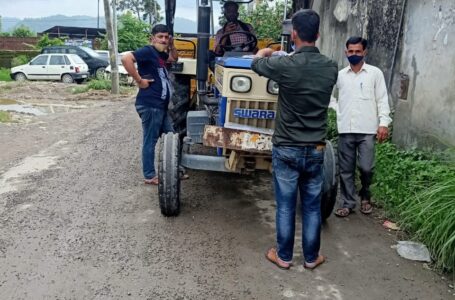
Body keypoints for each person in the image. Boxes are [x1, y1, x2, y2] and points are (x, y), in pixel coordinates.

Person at [251, 9, 338, 270]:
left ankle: (284, 257)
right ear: (319, 35)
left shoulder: (285, 65)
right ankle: (311, 258)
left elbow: (256, 65)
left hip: (287, 147)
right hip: (316, 148)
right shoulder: (331, 67)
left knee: (286, 206)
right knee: (311, 207)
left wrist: (264, 52)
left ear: (294, 34)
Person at [332, 37, 392, 217]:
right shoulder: (340, 75)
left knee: (366, 167)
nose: (354, 55)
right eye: (351, 51)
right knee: (346, 169)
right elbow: (329, 96)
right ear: (346, 52)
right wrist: (337, 109)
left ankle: (365, 196)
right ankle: (348, 203)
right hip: (346, 129)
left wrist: (383, 123)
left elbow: (382, 99)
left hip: (367, 129)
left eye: (358, 51)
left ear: (365, 52)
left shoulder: (374, 73)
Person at [122, 24, 178, 185]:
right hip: (151, 105)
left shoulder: (160, 55)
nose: (164, 40)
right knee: (150, 140)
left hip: (160, 106)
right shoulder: (148, 51)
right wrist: (139, 80)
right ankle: (149, 175)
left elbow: (174, 58)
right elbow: (126, 58)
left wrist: (172, 45)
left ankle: (174, 170)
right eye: (160, 37)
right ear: (152, 38)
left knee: (172, 137)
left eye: (167, 37)